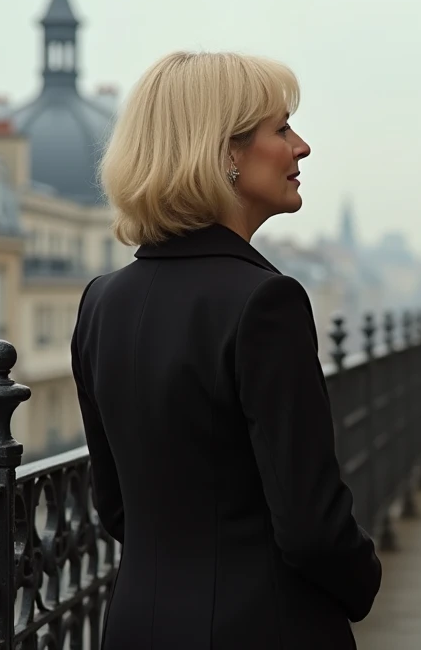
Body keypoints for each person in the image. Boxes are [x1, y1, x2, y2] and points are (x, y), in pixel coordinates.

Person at [72, 51, 381, 649]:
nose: (302, 147)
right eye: (281, 128)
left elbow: (115, 508)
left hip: (137, 623)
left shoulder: (101, 302)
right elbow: (312, 526)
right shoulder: (266, 302)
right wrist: (364, 578)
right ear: (226, 154)